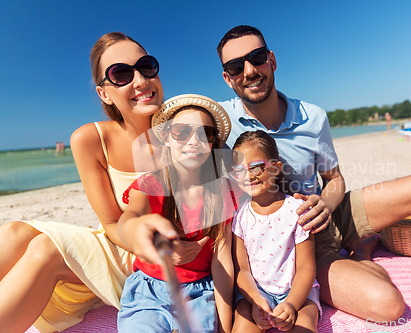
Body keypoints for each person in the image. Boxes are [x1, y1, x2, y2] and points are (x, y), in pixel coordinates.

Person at [216, 25, 411, 322]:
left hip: (330, 215)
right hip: (294, 249)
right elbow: (172, 130)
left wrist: (325, 204)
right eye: (235, 67)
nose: (248, 71)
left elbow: (335, 180)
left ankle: (357, 242)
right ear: (228, 78)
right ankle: (360, 252)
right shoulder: (219, 122)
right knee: (386, 305)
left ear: (272, 60)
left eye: (257, 57)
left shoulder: (313, 117)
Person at [0, 32, 185, 333]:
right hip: (122, 239)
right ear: (104, 94)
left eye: (146, 66)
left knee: (46, 249)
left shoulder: (187, 132)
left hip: (161, 256)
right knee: (14, 231)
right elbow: (112, 224)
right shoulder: (90, 139)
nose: (139, 81)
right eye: (122, 74)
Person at [116, 94, 235, 333]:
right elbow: (130, 218)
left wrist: (224, 326)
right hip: (148, 290)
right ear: (166, 137)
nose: (194, 141)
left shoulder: (220, 193)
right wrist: (140, 230)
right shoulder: (151, 184)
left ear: (212, 143)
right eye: (182, 132)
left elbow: (222, 262)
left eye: (206, 134)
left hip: (201, 292)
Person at [230, 130, 320, 332]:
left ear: (276, 168)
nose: (248, 176)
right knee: (242, 324)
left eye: (256, 167)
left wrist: (291, 304)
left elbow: (306, 267)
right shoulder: (239, 216)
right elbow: (242, 269)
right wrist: (255, 301)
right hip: (255, 293)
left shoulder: (297, 210)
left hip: (297, 292)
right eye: (239, 170)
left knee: (305, 323)